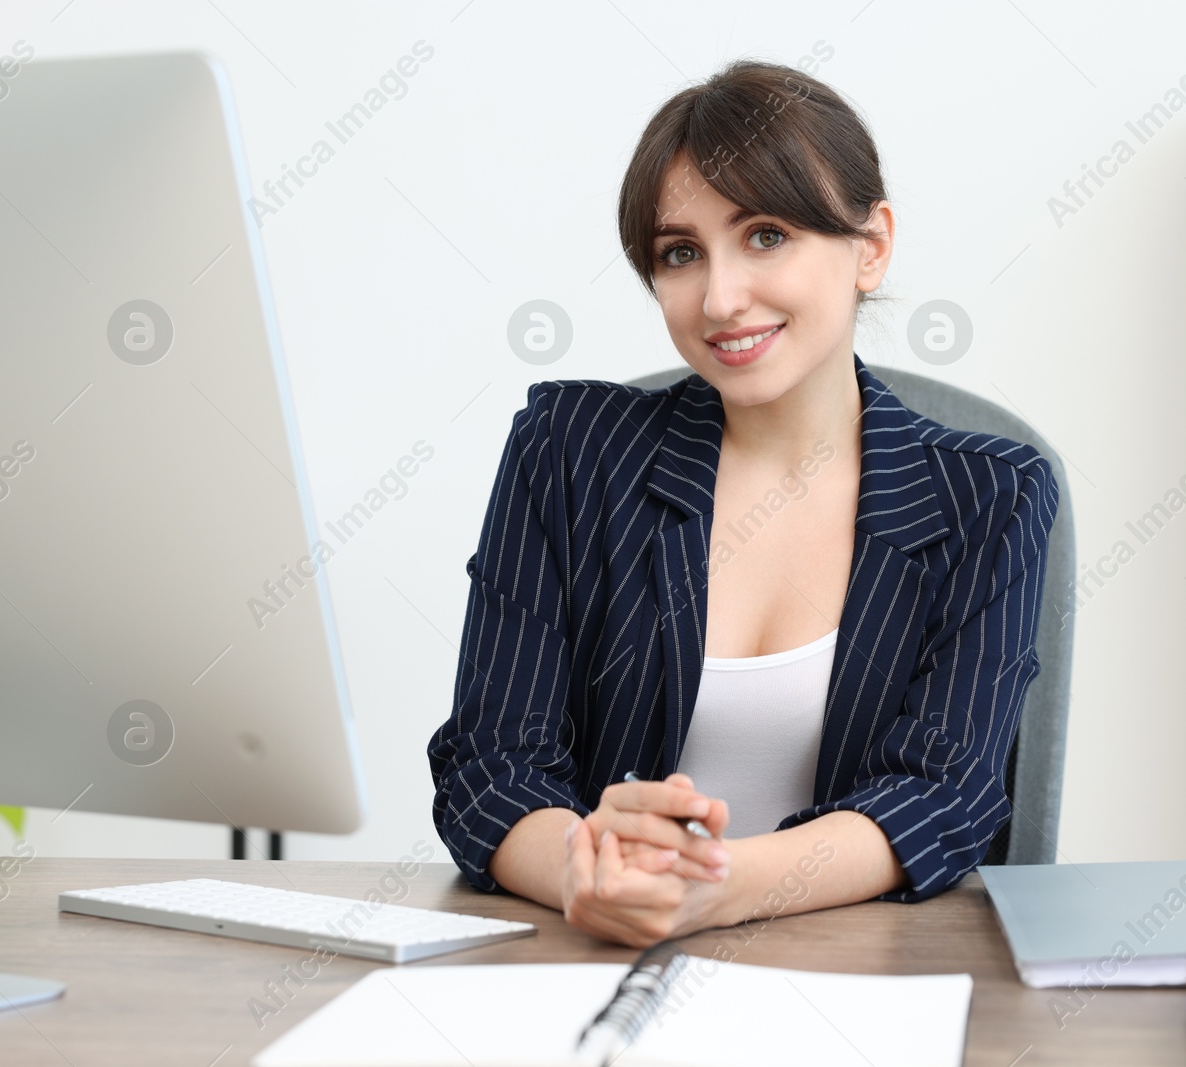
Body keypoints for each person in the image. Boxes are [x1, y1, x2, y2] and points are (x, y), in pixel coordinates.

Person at [427, 58, 1058, 947]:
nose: (720, 299)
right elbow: (490, 765)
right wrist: (588, 867)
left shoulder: (990, 496)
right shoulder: (568, 450)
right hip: (594, 963)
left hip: (856, 977)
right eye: (680, 253)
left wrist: (712, 887)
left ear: (870, 245)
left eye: (765, 235)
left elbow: (943, 797)